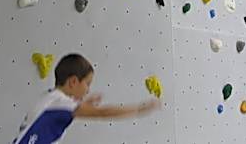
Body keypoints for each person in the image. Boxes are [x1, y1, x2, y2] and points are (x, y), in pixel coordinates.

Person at [11, 54, 159, 144]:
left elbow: (63, 111)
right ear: (73, 82)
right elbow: (103, 113)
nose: (88, 90)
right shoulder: (59, 102)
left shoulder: (51, 98)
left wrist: (85, 103)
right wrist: (138, 109)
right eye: (87, 84)